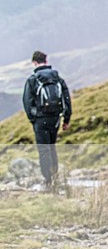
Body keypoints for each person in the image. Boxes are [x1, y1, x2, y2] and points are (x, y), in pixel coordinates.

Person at [22, 50, 72, 189]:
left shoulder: (33, 80)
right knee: (52, 147)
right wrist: (66, 119)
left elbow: (27, 102)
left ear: (34, 62)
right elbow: (66, 99)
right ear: (46, 61)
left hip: (40, 120)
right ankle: (55, 176)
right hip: (55, 118)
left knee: (43, 149)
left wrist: (34, 119)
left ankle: (48, 180)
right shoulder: (57, 78)